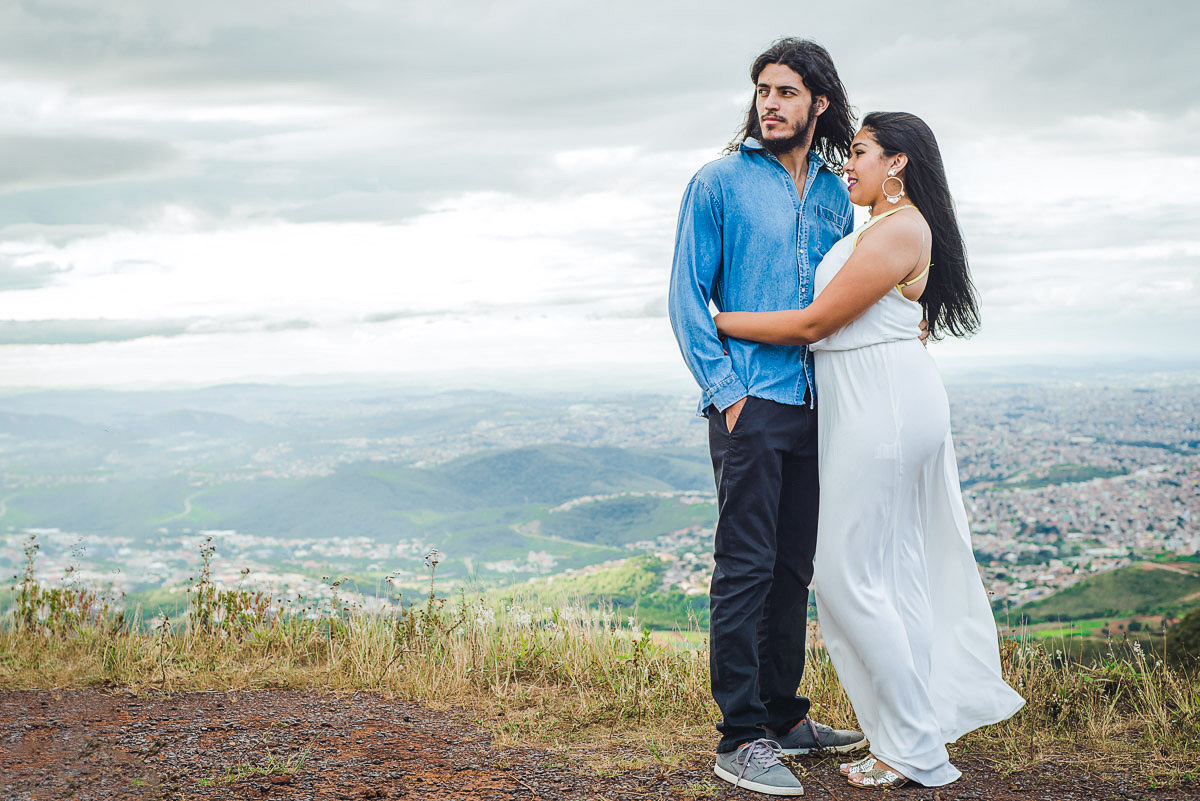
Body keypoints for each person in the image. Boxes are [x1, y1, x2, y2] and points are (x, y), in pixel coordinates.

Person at [714, 111, 1025, 790]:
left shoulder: (902, 226)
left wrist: (721, 321)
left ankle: (914, 746)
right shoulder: (887, 227)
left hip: (880, 411)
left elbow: (814, 322)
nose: (846, 165)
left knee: (850, 579)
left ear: (898, 162)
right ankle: (902, 732)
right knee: (890, 572)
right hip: (877, 402)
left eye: (859, 152)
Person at [668, 38, 867, 797]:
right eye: (762, 91)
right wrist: (727, 394)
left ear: (819, 102)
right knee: (745, 570)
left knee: (793, 571)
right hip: (750, 406)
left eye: (786, 92)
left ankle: (784, 718)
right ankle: (739, 736)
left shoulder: (833, 191)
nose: (770, 104)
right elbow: (688, 295)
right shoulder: (717, 182)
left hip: (818, 410)